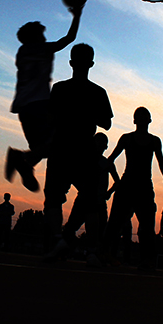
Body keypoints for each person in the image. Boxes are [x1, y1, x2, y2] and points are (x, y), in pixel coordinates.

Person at [42, 44, 113, 266]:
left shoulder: (60, 89)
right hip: (84, 150)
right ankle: (92, 250)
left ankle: (57, 240)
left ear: (71, 63)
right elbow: (107, 123)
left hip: (61, 149)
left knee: (53, 197)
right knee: (91, 203)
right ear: (91, 64)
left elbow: (49, 119)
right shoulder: (98, 92)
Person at [5, 0, 83, 192]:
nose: (44, 37)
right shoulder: (45, 49)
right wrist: (77, 15)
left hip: (23, 107)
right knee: (56, 143)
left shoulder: (21, 52)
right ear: (35, 36)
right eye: (41, 34)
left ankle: (25, 161)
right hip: (40, 105)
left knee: (43, 147)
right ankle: (23, 159)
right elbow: (70, 38)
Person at [103, 107, 163, 269]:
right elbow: (110, 159)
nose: (141, 119)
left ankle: (148, 259)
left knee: (147, 225)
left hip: (144, 186)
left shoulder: (155, 141)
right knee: (115, 222)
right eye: (139, 117)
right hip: (127, 184)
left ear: (149, 120)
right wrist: (117, 181)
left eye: (144, 117)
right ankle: (104, 253)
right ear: (135, 120)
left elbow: (161, 162)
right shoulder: (127, 139)